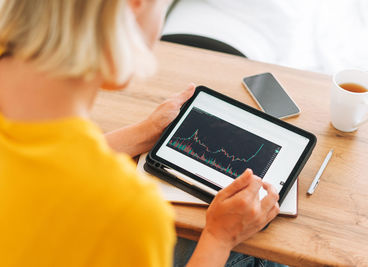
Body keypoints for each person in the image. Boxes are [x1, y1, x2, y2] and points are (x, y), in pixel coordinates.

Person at [0, 0, 281, 266]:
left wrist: (144, 132)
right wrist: (220, 238)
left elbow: (40, 165)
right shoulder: (131, 212)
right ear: (134, 6)